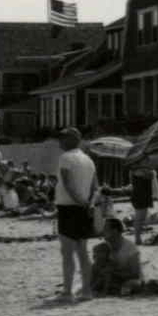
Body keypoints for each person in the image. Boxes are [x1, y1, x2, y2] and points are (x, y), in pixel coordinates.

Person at [54, 128, 97, 301]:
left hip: (69, 208)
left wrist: (80, 201)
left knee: (67, 252)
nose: (59, 142)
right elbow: (95, 187)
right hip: (84, 208)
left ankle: (67, 292)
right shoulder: (88, 159)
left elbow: (67, 184)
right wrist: (89, 204)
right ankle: (86, 290)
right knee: (82, 251)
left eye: (61, 139)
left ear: (69, 140)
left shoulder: (65, 158)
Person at [90, 218, 143, 295]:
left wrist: (114, 273)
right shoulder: (104, 247)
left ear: (115, 231)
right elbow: (97, 265)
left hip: (128, 279)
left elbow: (135, 274)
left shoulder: (130, 248)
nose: (102, 232)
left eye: (105, 229)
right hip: (109, 279)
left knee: (130, 285)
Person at [129, 166, 157, 245]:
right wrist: (150, 172)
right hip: (139, 194)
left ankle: (138, 238)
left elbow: (151, 175)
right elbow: (151, 175)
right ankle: (137, 238)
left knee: (142, 216)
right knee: (139, 217)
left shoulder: (139, 170)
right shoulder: (136, 170)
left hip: (143, 194)